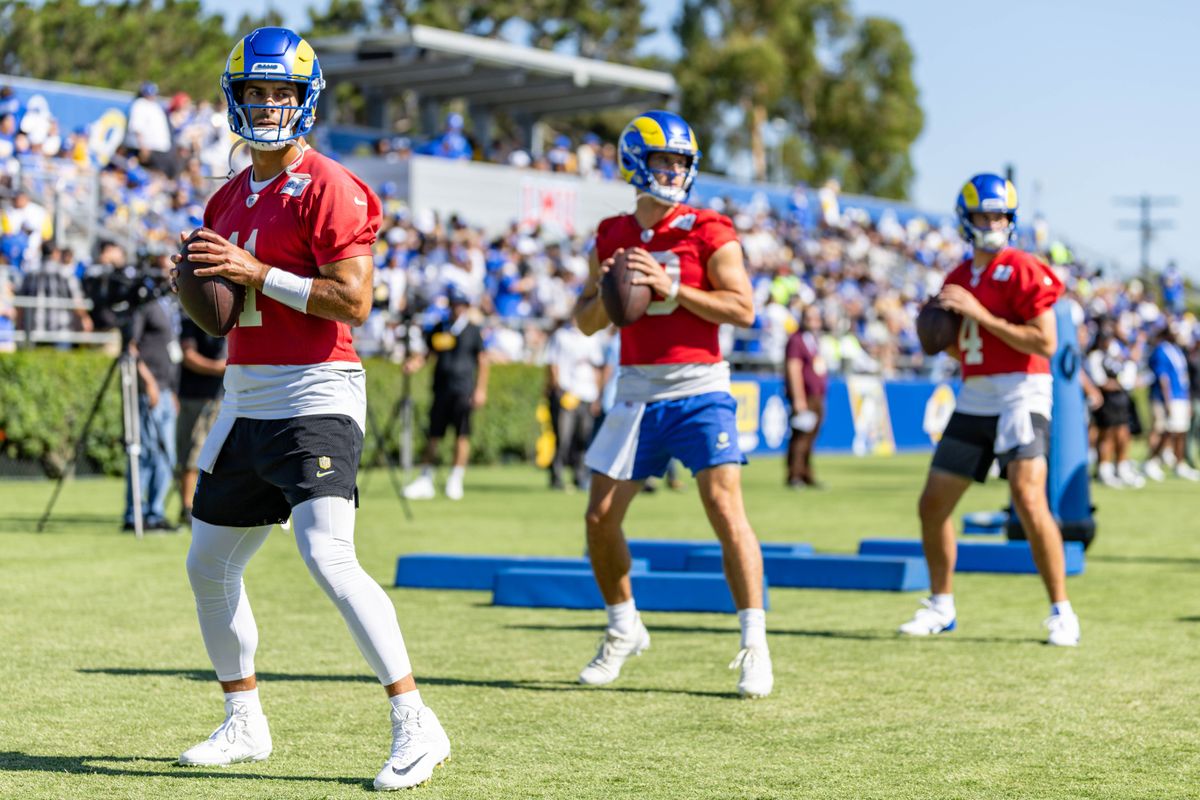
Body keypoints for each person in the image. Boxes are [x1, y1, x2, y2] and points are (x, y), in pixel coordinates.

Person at [169, 28, 450, 791]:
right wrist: (190, 286)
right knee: (208, 563)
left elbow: (352, 299)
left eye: (281, 93)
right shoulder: (225, 197)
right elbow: (224, 316)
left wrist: (256, 270)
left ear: (306, 101)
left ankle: (415, 723)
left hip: (317, 389)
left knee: (328, 554)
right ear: (235, 98)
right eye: (255, 92)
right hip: (246, 394)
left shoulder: (332, 185)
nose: (267, 105)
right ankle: (244, 719)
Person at [572, 110, 772, 698]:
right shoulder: (611, 233)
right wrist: (611, 292)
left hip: (699, 386)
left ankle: (754, 644)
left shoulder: (710, 228)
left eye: (683, 161)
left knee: (724, 507)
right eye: (666, 160)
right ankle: (623, 626)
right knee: (599, 517)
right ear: (636, 161)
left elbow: (743, 309)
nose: (676, 170)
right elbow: (585, 323)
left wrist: (673, 288)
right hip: (636, 387)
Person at [898, 173, 1082, 646]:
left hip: (1024, 389)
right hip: (976, 393)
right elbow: (966, 350)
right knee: (932, 504)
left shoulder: (1023, 267)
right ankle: (941, 605)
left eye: (1001, 214)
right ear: (967, 219)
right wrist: (939, 339)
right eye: (985, 214)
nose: (994, 222)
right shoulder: (957, 276)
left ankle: (1061, 610)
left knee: (1028, 497)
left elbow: (1044, 340)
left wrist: (979, 314)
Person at [402, 284, 489, 501]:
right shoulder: (440, 327)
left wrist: (480, 389)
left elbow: (483, 361)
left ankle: (455, 478)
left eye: (460, 305)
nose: (457, 309)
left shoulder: (473, 330)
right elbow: (427, 353)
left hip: (464, 390)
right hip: (441, 388)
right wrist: (415, 364)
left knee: (461, 434)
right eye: (454, 304)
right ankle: (425, 478)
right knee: (434, 435)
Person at [122, 259, 179, 532]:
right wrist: (149, 383)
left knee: (167, 454)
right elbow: (130, 349)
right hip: (150, 391)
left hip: (167, 389)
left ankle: (155, 512)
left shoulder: (171, 308)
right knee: (146, 453)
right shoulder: (145, 308)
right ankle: (136, 513)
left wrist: (172, 391)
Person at [175, 313, 226, 527]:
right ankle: (187, 508)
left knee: (214, 457)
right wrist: (221, 368)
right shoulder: (191, 319)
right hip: (195, 397)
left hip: (218, 397)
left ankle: (204, 506)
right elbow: (188, 356)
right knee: (191, 455)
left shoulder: (228, 322)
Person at [544, 316, 603, 490]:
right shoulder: (561, 336)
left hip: (587, 394)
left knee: (582, 438)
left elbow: (597, 367)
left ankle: (580, 476)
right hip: (567, 393)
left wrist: (597, 396)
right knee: (563, 438)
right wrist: (558, 390)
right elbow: (552, 363)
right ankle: (557, 476)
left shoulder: (593, 337)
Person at [1142, 323, 1200, 481]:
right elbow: (1163, 378)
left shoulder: (1177, 351)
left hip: (1180, 396)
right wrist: (1168, 400)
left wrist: (1187, 399)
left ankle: (1179, 464)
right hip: (1168, 397)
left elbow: (1183, 377)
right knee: (1166, 431)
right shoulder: (1161, 350)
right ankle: (1151, 461)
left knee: (1181, 431)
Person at [784, 305, 828, 489]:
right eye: (810, 318)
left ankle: (806, 474)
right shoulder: (796, 340)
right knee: (800, 437)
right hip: (805, 396)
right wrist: (798, 398)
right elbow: (793, 369)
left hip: (817, 395)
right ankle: (795, 475)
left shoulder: (813, 339)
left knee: (811, 437)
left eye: (816, 318)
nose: (814, 322)